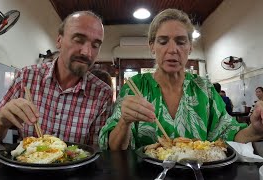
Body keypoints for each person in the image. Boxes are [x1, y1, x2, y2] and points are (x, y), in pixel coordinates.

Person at [99, 8, 263, 150]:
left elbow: (230, 135)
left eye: (181, 42)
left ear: (190, 47)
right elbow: (114, 148)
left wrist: (255, 130)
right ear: (152, 46)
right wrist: (124, 123)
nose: (172, 49)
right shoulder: (136, 86)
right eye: (163, 42)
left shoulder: (203, 88)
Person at [0, 11, 113, 146]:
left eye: (95, 45)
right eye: (79, 40)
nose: (87, 52)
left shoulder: (102, 94)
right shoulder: (27, 77)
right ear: (59, 41)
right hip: (27, 164)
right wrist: (1, 121)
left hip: (74, 167)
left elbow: (94, 151)